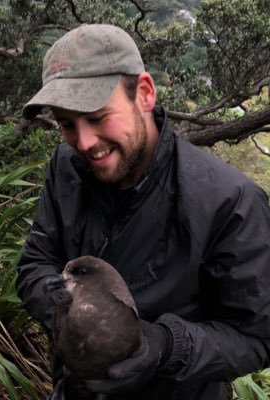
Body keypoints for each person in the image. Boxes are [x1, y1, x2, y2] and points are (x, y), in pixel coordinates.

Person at [16, 24, 270, 400]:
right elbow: (36, 262)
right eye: (68, 125)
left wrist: (164, 346)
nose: (84, 143)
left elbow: (256, 338)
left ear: (145, 93)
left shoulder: (229, 202)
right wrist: (54, 300)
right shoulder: (66, 168)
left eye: (99, 117)